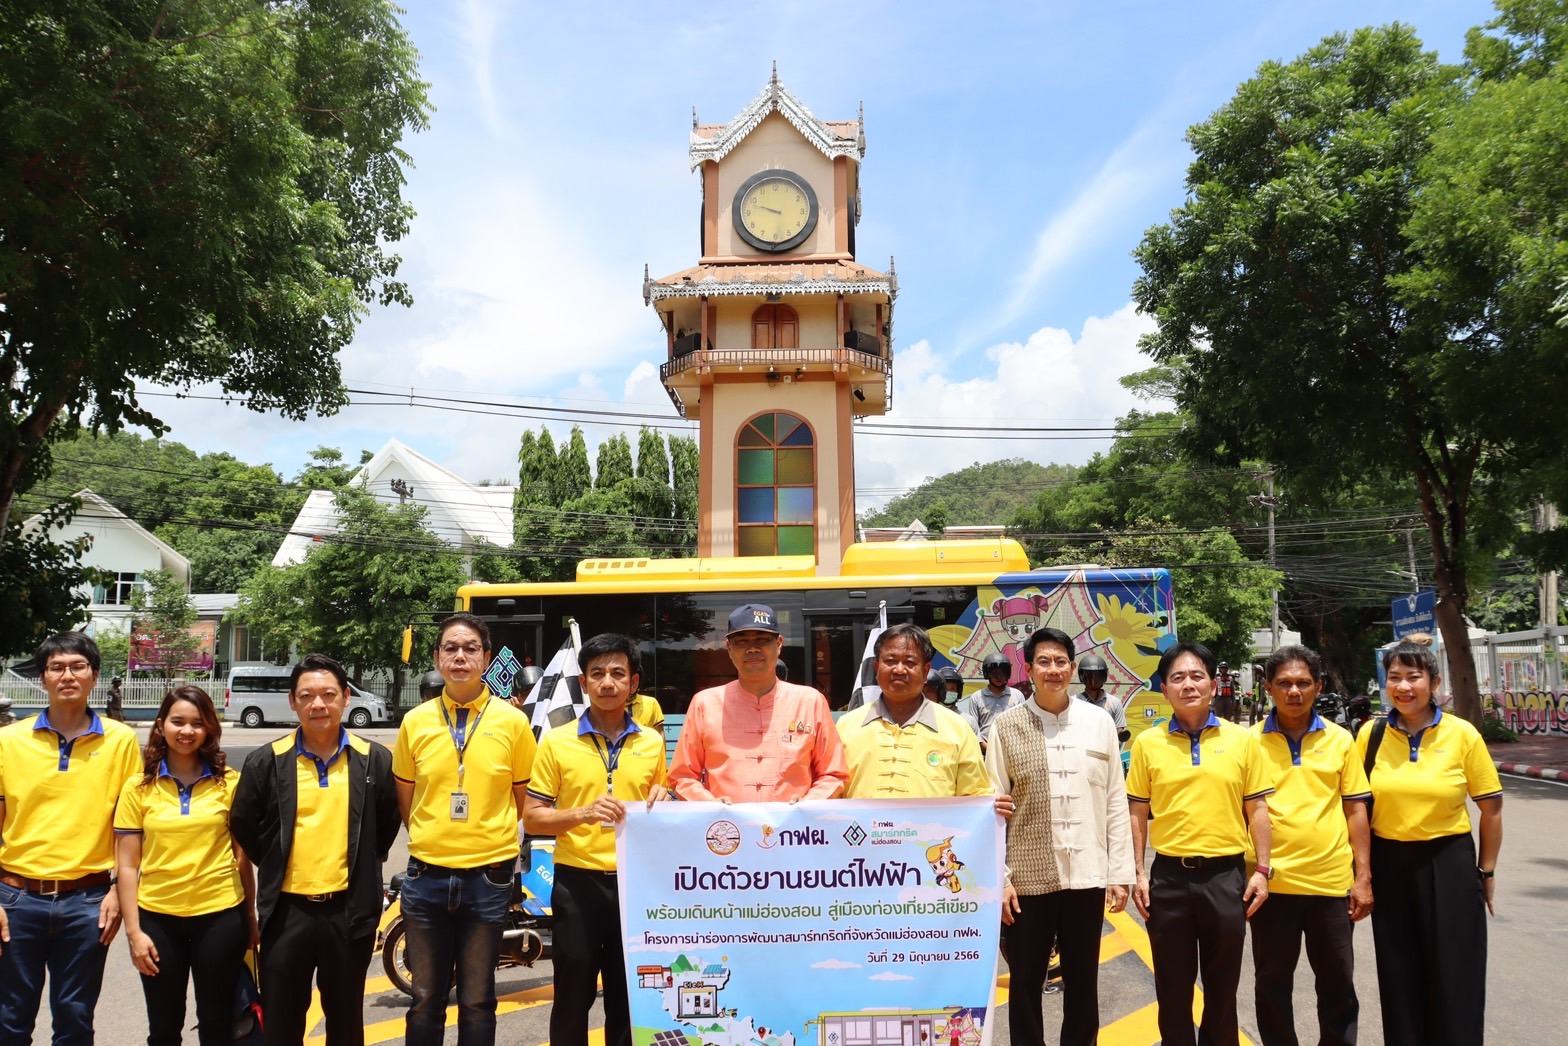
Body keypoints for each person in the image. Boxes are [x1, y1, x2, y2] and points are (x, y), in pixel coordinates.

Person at [229, 654, 401, 1046]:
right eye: (307, 696)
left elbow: (387, 822)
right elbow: (243, 823)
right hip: (286, 913)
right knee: (283, 1023)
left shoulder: (373, 758)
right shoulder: (266, 761)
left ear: (345, 698)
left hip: (349, 912)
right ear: (293, 701)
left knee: (345, 1022)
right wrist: (274, 860)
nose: (318, 704)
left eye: (328, 694)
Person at [393, 613, 537, 1046]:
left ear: (486, 658)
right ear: (437, 657)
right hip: (426, 877)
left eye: (470, 648)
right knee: (425, 998)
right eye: (450, 648)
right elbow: (407, 797)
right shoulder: (415, 721)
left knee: (478, 1000)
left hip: (487, 878)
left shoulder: (513, 723)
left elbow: (522, 799)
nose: (460, 657)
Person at [986, 627, 1134, 1046]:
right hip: (1028, 879)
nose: (1054, 670)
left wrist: (1119, 872)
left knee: (1083, 980)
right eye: (1044, 662)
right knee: (1026, 982)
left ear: (1072, 667)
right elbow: (994, 808)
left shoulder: (1099, 722)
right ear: (1029, 669)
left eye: (1061, 661)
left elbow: (1114, 801)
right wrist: (1002, 877)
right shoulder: (1006, 727)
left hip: (1087, 874)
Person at [523, 633, 670, 1046]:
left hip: (635, 886)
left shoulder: (653, 742)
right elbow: (533, 817)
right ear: (584, 683)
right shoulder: (556, 740)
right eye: (598, 673)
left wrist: (667, 796)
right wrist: (582, 813)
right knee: (573, 995)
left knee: (629, 997)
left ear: (633, 684)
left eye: (618, 673)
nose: (608, 682)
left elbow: (660, 807)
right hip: (577, 884)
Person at [1126, 641, 1273, 1046]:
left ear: (1212, 684)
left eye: (1196, 676)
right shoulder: (1147, 744)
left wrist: (1262, 869)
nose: (1188, 684)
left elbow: (1257, 808)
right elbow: (1137, 812)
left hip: (1226, 878)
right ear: (1164, 688)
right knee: (1172, 993)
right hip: (1169, 879)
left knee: (1222, 992)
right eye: (1178, 678)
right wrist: (1137, 872)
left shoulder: (1243, 740)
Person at [1356, 639, 1503, 1046]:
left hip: (1448, 861)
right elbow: (1356, 811)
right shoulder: (1371, 734)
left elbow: (1491, 810)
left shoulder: (1462, 734)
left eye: (1414, 677)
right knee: (1399, 970)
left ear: (1434, 682)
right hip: (1390, 863)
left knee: (1457, 970)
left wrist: (1486, 871)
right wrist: (1362, 874)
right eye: (1395, 677)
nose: (1404, 686)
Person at [0, 631, 142, 1044]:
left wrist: (119, 889)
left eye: (77, 666)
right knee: (10, 1020)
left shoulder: (119, 741)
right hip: (15, 898)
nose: (67, 675)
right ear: (43, 677)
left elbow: (129, 824)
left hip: (88, 902)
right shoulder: (9, 741)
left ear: (94, 676)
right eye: (56, 667)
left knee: (75, 1021)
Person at [114, 686, 254, 1046]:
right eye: (178, 722)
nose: (187, 731)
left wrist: (250, 917)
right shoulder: (138, 787)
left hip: (221, 915)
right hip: (158, 918)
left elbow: (243, 858)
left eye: (197, 723)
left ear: (209, 729)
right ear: (161, 725)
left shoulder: (230, 783)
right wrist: (134, 933)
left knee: (217, 1022)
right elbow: (127, 865)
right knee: (163, 1027)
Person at [1250, 645, 1372, 1046]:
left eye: (1303, 683)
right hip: (1272, 888)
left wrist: (1363, 878)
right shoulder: (1247, 743)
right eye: (1284, 683)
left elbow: (1356, 810)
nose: (1294, 692)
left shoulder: (1340, 740)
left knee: (1337, 983)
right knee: (1272, 984)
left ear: (1318, 686)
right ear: (1268, 687)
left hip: (1330, 884)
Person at [668, 604, 847, 803]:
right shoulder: (704, 704)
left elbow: (833, 774)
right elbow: (682, 776)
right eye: (741, 641)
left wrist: (807, 804)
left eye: (762, 640)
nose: (752, 648)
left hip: (793, 831)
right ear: (729, 648)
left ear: (779, 644)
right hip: (727, 829)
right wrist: (710, 805)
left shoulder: (810, 702)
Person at [836, 623, 1003, 808]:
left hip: (933, 837)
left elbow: (975, 797)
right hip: (860, 836)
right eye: (890, 661)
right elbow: (830, 793)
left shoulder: (957, 728)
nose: (899, 670)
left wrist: (993, 807)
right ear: (876, 668)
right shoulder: (845, 727)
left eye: (909, 662)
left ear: (925, 671)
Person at [957, 651, 1024, 749]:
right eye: (994, 673)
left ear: (1007, 673)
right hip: (985, 752)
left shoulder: (1017, 695)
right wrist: (988, 749)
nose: (998, 677)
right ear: (987, 673)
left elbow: (1023, 725)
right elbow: (973, 729)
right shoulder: (977, 697)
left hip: (1013, 749)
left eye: (1002, 673)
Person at [1074, 653, 1129, 745]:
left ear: (1104, 676)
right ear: (1081, 676)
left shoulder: (1114, 702)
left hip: (1106, 753)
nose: (1093, 680)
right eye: (1089, 676)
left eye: (1097, 676)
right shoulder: (1073, 702)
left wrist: (1111, 749)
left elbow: (1119, 731)